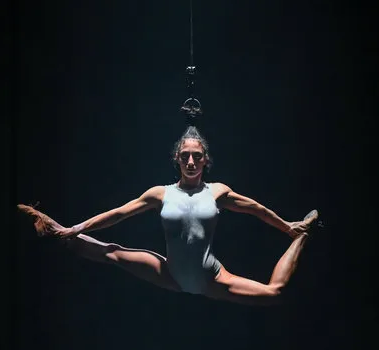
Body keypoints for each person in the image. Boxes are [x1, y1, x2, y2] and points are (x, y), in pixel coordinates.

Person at [18, 116, 320, 306]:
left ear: (205, 161)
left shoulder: (218, 192)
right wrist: (78, 227)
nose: (190, 162)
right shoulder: (161, 193)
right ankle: (55, 229)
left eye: (196, 157)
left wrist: (286, 227)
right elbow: (119, 213)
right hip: (170, 273)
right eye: (185, 156)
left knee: (274, 292)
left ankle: (302, 236)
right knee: (110, 251)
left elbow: (257, 209)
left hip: (210, 278)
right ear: (177, 159)